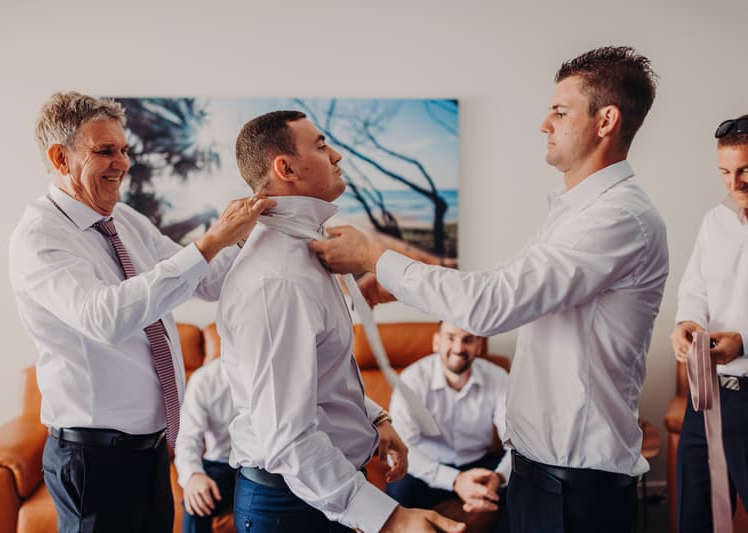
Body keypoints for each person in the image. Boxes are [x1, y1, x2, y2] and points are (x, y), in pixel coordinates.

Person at [311, 46, 669, 533]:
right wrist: (404, 281)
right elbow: (503, 281)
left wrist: (376, 257)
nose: (544, 124)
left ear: (605, 120)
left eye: (560, 112)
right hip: (539, 478)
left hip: (577, 492)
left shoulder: (616, 218)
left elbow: (491, 304)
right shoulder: (575, 214)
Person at [9, 91, 274, 533]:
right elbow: (105, 318)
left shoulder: (127, 220)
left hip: (150, 452)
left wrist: (248, 235)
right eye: (105, 151)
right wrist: (211, 241)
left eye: (124, 149)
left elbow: (206, 280)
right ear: (60, 158)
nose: (123, 163)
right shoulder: (40, 237)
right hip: (93, 459)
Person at [217, 110, 465, 533]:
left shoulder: (304, 252)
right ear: (286, 168)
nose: (336, 155)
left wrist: (374, 419)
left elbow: (317, 378)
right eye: (320, 146)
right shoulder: (278, 280)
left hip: (314, 493)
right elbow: (287, 437)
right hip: (290, 507)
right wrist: (389, 518)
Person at [671, 114, 748, 531]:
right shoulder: (714, 222)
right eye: (725, 172)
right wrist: (686, 322)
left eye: (746, 170)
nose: (735, 184)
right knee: (695, 514)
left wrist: (745, 343)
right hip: (709, 395)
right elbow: (695, 287)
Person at [386, 321, 509, 533]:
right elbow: (397, 451)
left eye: (468, 339)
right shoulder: (412, 380)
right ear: (436, 342)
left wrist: (498, 477)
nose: (459, 348)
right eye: (451, 338)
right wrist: (455, 480)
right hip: (428, 467)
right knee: (397, 496)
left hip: (480, 465)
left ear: (479, 346)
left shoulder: (498, 378)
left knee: (524, 490)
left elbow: (517, 443)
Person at [174, 358, 237, 533]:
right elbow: (187, 438)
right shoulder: (203, 380)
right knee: (197, 501)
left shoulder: (273, 373)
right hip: (223, 465)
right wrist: (193, 475)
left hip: (265, 466)